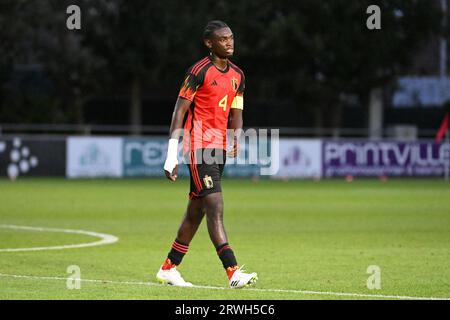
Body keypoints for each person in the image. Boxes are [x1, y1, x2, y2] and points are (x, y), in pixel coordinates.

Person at [156, 20, 258, 289]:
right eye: (223, 39)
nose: (229, 42)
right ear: (209, 43)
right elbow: (179, 111)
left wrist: (236, 135)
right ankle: (233, 271)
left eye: (231, 37)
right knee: (215, 207)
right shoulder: (197, 72)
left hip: (218, 148)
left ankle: (169, 268)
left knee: (196, 211)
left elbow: (237, 111)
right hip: (198, 146)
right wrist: (171, 154)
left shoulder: (238, 75)